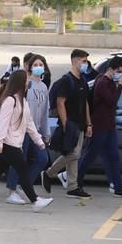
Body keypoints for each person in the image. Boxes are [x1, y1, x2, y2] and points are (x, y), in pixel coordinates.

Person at [0, 70, 54, 212]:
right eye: (26, 80)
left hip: (14, 143)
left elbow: (29, 123)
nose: (28, 83)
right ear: (20, 82)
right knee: (23, 170)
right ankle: (35, 201)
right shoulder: (9, 101)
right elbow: (2, 122)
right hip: (8, 143)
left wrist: (38, 140)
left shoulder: (22, 101)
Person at [77, 56, 122, 198]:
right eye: (119, 71)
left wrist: (117, 85)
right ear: (111, 69)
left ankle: (118, 186)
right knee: (89, 156)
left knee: (113, 156)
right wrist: (121, 86)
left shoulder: (109, 81)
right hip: (100, 126)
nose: (121, 74)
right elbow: (112, 101)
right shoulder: (102, 82)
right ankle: (74, 181)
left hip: (109, 126)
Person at [45, 49, 93, 198]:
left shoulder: (83, 81)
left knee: (73, 155)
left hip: (80, 124)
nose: (85, 64)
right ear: (74, 61)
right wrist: (66, 124)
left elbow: (85, 102)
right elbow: (60, 103)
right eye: (83, 61)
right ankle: (49, 173)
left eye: (86, 61)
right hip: (70, 123)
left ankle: (72, 186)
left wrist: (89, 123)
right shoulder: (67, 80)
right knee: (75, 154)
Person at [4, 54, 52, 205]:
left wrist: (46, 133)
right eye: (36, 64)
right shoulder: (25, 84)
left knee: (43, 159)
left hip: (35, 131)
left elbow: (44, 112)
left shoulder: (43, 87)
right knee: (19, 161)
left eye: (41, 64)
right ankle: (12, 191)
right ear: (29, 67)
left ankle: (24, 186)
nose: (39, 67)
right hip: (21, 130)